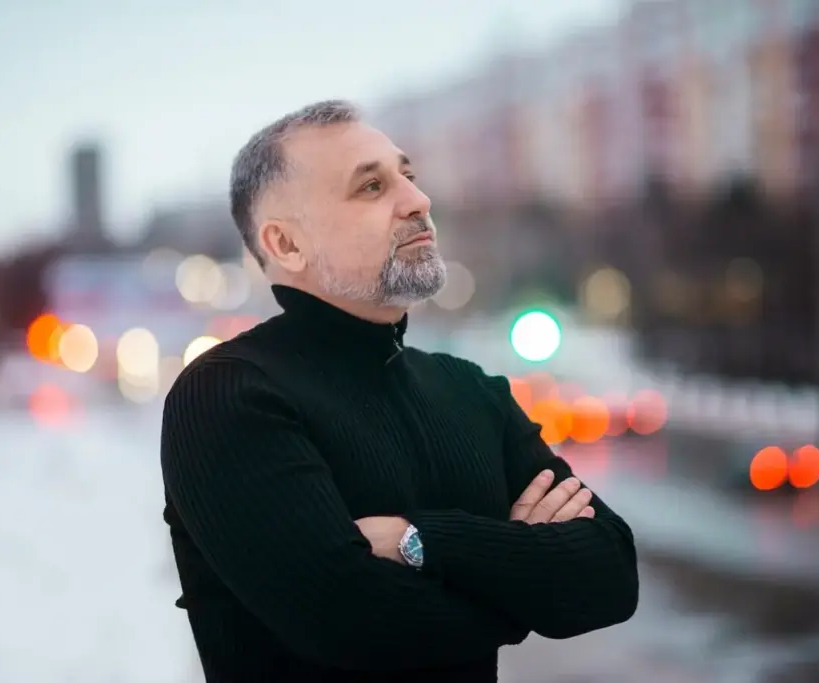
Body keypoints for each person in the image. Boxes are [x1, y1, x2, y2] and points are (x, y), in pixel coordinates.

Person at [161, 100, 638, 683]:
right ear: (286, 245)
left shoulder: (469, 389)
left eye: (407, 175)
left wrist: (422, 540)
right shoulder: (228, 394)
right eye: (371, 186)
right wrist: (522, 576)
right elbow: (350, 624)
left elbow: (612, 575)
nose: (418, 200)